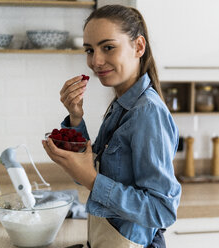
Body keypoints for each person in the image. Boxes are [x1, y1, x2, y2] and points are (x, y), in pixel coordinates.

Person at [42, 4, 181, 248]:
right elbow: (94, 171)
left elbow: (161, 211)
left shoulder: (147, 112)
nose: (95, 61)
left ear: (138, 46)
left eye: (108, 47)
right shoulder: (122, 105)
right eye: (89, 50)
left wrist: (91, 180)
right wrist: (75, 118)